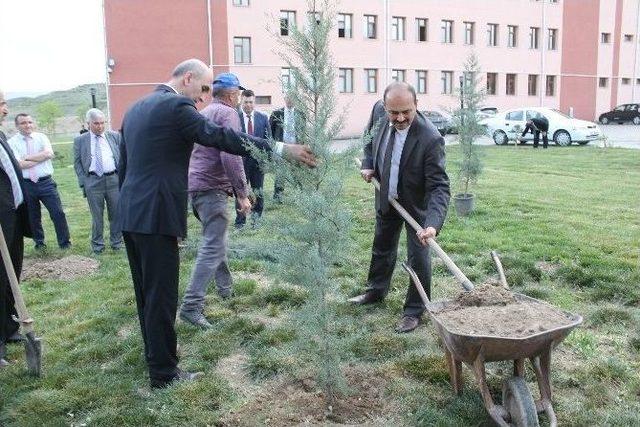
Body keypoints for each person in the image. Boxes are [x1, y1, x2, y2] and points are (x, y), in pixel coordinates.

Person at [118, 58, 316, 389]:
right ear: (187, 79)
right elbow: (223, 138)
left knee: (146, 293)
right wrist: (281, 148)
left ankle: (157, 355)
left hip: (131, 213)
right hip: (156, 214)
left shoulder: (137, 107)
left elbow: (125, 166)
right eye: (203, 87)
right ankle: (164, 375)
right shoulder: (176, 106)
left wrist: (125, 211)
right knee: (162, 296)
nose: (203, 96)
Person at [350, 82, 450, 334]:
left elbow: (439, 186)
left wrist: (432, 225)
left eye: (407, 111)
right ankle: (375, 291)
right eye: (394, 113)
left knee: (418, 257)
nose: (401, 117)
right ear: (385, 108)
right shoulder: (379, 113)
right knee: (382, 245)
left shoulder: (430, 138)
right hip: (387, 195)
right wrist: (369, 162)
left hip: (417, 205)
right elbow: (369, 139)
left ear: (416, 105)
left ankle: (415, 311)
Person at [179, 73, 251, 328]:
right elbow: (232, 155)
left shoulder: (206, 112)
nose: (240, 99)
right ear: (232, 95)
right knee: (212, 246)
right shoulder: (228, 114)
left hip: (195, 188)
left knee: (215, 239)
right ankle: (191, 306)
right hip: (211, 189)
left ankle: (225, 288)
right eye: (239, 95)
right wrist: (242, 193)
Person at [0, 90, 32, 367]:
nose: (6, 109)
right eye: (1, 104)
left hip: (13, 217)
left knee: (11, 278)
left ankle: (8, 329)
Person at [7, 114, 71, 250]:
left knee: (58, 213)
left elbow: (49, 154)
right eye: (23, 123)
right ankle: (39, 243)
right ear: (17, 126)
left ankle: (64, 243)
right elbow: (18, 165)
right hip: (26, 184)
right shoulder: (12, 142)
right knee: (33, 216)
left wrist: (27, 158)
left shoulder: (41, 137)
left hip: (46, 183)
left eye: (30, 122)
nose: (28, 125)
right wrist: (39, 157)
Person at [73, 108, 122, 254]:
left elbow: (122, 157)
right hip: (93, 182)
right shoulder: (80, 140)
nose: (100, 126)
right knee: (97, 216)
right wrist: (84, 182)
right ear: (88, 123)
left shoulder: (114, 136)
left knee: (116, 213)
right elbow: (77, 163)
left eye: (102, 123)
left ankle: (117, 242)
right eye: (96, 123)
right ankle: (98, 245)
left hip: (113, 180)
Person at [235, 89, 271, 228]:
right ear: (241, 102)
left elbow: (269, 141)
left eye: (251, 102)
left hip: (258, 163)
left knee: (258, 191)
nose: (248, 105)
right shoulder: (235, 118)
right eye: (246, 102)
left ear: (254, 102)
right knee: (241, 191)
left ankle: (256, 220)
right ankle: (240, 222)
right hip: (240, 162)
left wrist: (267, 160)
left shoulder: (263, 118)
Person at [269, 94, 302, 203]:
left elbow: (303, 131)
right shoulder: (277, 113)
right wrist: (273, 145)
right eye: (288, 97)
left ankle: (300, 196)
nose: (290, 100)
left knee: (297, 172)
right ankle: (278, 197)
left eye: (292, 97)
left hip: (296, 148)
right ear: (285, 99)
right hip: (281, 147)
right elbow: (270, 131)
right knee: (280, 172)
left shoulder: (300, 115)